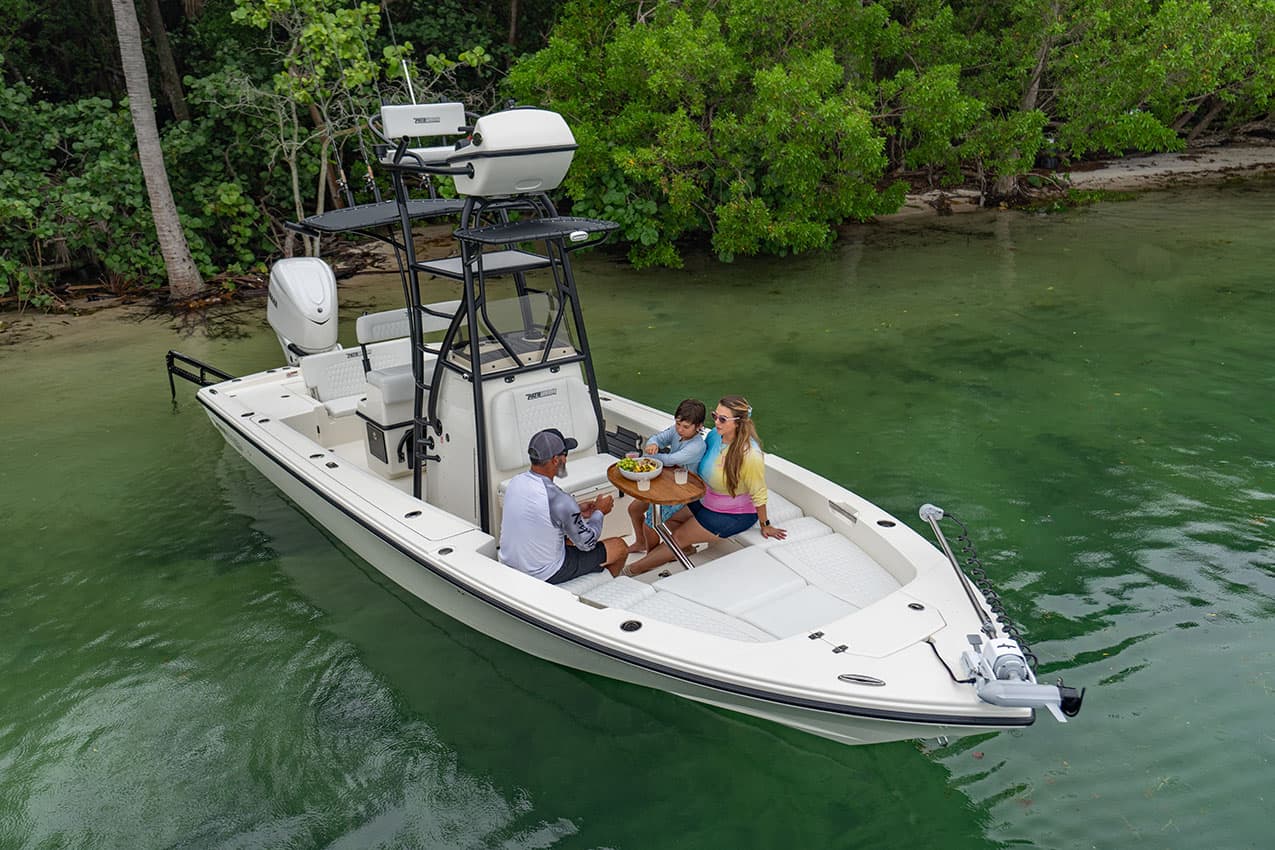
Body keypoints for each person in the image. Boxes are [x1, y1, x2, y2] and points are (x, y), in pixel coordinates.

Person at [625, 395, 786, 576]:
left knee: (677, 537)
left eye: (723, 419)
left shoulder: (750, 455)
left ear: (739, 422)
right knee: (657, 522)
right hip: (704, 499)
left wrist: (765, 524)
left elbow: (759, 492)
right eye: (715, 416)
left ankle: (632, 570)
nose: (716, 422)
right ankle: (685, 550)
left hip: (732, 514)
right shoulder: (714, 436)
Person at [499, 428, 628, 584]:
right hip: (544, 574)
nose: (566, 460)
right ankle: (603, 586)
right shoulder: (560, 500)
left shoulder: (515, 482)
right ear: (555, 460)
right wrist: (600, 512)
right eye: (564, 455)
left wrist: (577, 510)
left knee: (568, 540)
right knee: (619, 547)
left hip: (509, 565)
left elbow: (539, 515)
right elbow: (586, 543)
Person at [626, 398, 708, 554]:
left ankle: (652, 557)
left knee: (650, 525)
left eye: (685, 426)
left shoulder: (697, 446)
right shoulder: (676, 431)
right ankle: (641, 543)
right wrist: (652, 444)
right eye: (678, 424)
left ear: (699, 427)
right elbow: (657, 438)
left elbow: (670, 461)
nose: (680, 429)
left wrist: (647, 457)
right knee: (634, 509)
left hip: (684, 490)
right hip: (668, 481)